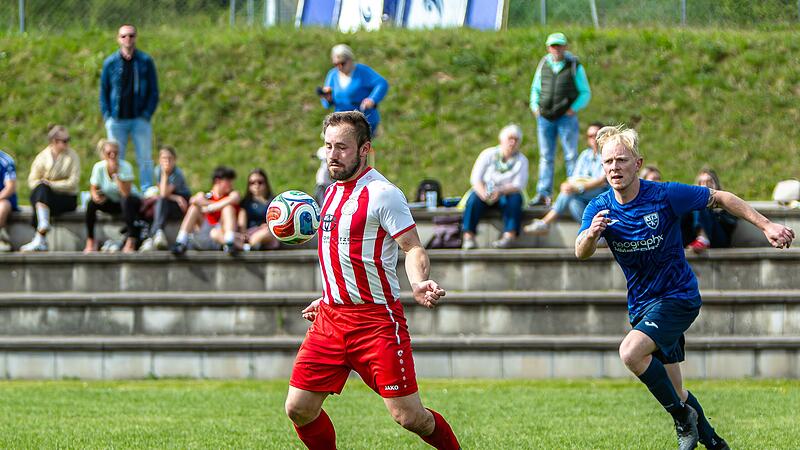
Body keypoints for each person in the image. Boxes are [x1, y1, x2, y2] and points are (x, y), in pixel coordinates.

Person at [576, 125, 794, 450]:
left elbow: (720, 197)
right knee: (676, 390)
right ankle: (715, 443)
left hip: (679, 297)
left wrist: (767, 224)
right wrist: (592, 236)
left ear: (637, 163)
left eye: (621, 160)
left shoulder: (665, 195)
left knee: (630, 352)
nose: (614, 168)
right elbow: (580, 250)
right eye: (608, 162)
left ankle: (681, 419)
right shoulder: (599, 208)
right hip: (643, 305)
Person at [285, 111, 460, 450]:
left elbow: (412, 248)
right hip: (330, 320)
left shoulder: (383, 194)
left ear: (364, 149)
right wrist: (328, 295)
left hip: (376, 323)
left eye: (342, 148)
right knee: (299, 409)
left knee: (410, 417)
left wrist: (419, 282)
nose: (333, 155)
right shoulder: (329, 194)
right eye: (328, 147)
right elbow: (340, 254)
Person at [529, 32, 591, 206]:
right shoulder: (543, 64)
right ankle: (543, 194)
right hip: (545, 118)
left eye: (559, 45)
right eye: (553, 46)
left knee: (571, 155)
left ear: (565, 47)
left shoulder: (574, 65)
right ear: (548, 47)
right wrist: (535, 107)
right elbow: (535, 89)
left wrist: (574, 108)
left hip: (566, 118)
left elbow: (585, 92)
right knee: (546, 157)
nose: (556, 49)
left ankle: (573, 191)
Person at [100, 24, 159, 191]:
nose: (128, 39)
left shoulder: (145, 61)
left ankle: (147, 188)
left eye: (131, 35)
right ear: (118, 38)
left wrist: (147, 113)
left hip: (139, 118)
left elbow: (154, 91)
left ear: (136, 37)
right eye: (124, 36)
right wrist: (107, 116)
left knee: (145, 157)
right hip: (117, 119)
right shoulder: (110, 63)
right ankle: (118, 188)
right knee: (115, 156)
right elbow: (104, 91)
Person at [524, 121, 607, 235]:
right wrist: (567, 184)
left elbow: (601, 181)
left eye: (596, 135)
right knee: (573, 203)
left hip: (602, 193)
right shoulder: (585, 155)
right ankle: (598, 235)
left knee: (570, 194)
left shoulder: (607, 154)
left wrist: (577, 188)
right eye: (590, 136)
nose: (593, 139)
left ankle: (545, 223)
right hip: (583, 193)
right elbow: (575, 177)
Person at [461, 124, 528, 250]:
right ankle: (468, 236)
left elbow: (519, 184)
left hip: (506, 194)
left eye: (516, 140)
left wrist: (500, 191)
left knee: (515, 199)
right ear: (502, 140)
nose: (512, 143)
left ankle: (509, 235)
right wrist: (484, 193)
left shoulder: (521, 160)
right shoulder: (488, 154)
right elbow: (475, 178)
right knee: (473, 199)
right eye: (510, 139)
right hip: (485, 191)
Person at [21, 125, 81, 252]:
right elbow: (32, 181)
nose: (67, 143)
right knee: (40, 190)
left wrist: (52, 185)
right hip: (47, 199)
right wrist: (45, 185)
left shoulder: (72, 156)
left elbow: (73, 183)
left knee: (40, 195)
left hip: (66, 198)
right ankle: (42, 230)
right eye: (64, 140)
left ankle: (40, 235)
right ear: (54, 141)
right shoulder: (42, 157)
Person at [85, 139, 143, 253]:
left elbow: (125, 193)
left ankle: (131, 239)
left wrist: (116, 175)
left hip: (131, 202)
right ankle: (90, 239)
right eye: (109, 153)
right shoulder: (98, 167)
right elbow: (93, 187)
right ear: (103, 154)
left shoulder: (126, 167)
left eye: (115, 153)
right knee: (91, 204)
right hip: (112, 201)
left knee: (126, 200)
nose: (112, 155)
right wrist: (96, 196)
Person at [318, 44, 389, 136]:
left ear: (350, 59)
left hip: (364, 122)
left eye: (342, 63)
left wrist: (372, 99)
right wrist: (328, 98)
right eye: (336, 64)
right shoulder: (332, 75)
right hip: (342, 123)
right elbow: (326, 103)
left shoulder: (362, 71)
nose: (339, 67)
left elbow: (382, 83)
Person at [171, 166, 240, 255]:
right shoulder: (205, 195)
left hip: (221, 234)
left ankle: (229, 243)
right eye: (228, 181)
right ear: (218, 181)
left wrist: (210, 208)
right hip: (205, 232)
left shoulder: (232, 194)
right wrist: (214, 204)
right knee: (194, 208)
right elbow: (193, 200)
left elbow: (235, 197)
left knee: (228, 208)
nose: (231, 184)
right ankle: (180, 242)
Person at [139, 145, 191, 251]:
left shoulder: (177, 173)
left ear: (174, 160)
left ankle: (152, 237)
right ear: (159, 160)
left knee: (160, 202)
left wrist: (165, 175)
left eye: (169, 159)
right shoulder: (158, 170)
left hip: (181, 203)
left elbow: (163, 193)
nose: (167, 161)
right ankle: (157, 233)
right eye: (164, 158)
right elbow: (162, 192)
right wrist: (175, 197)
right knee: (160, 203)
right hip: (171, 199)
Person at [682, 167, 737, 252]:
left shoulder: (726, 200)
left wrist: (715, 211)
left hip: (718, 239)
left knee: (701, 202)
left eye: (709, 182)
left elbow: (731, 224)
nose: (705, 185)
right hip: (693, 240)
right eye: (702, 182)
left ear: (716, 185)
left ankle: (703, 240)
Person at [238, 168, 279, 251]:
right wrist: (243, 232)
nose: (256, 185)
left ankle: (250, 247)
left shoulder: (274, 201)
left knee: (268, 232)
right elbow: (242, 222)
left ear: (266, 183)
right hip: (251, 233)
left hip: (269, 233)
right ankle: (251, 246)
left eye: (260, 182)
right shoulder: (246, 203)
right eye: (252, 183)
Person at [0, 150, 18, 252]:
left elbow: (10, 187)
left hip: (3, 199)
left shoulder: (5, 160)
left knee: (2, 206)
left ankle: (1, 238)